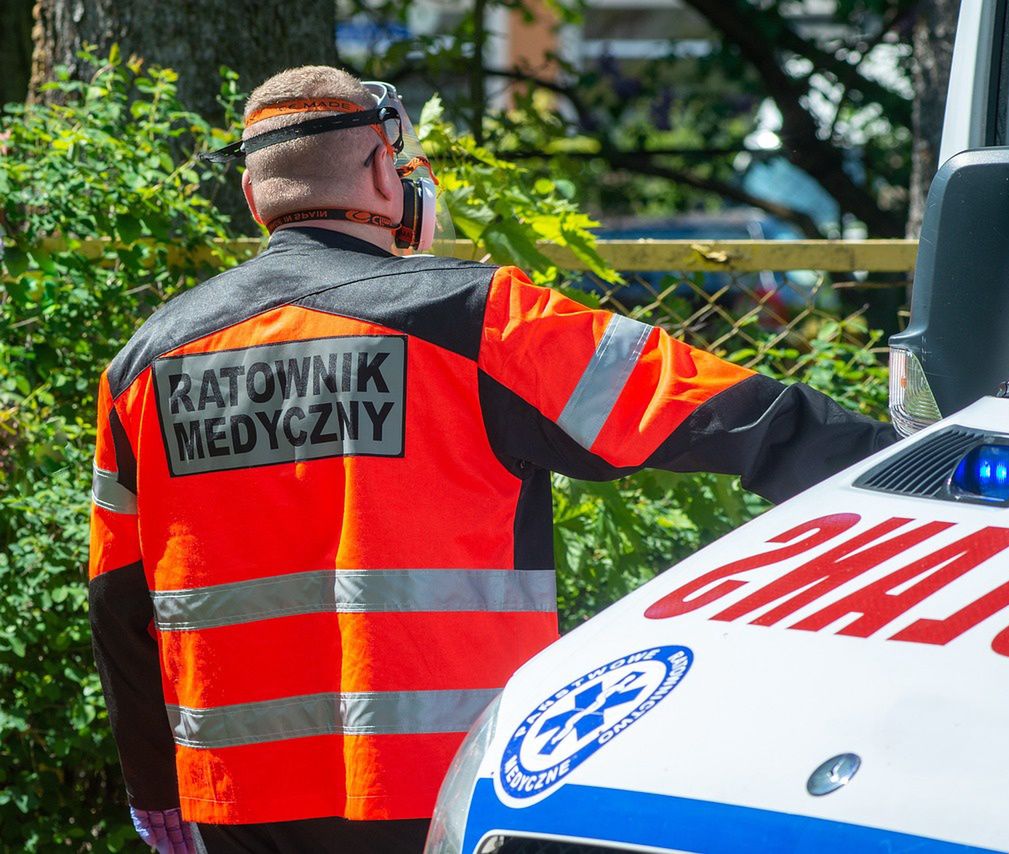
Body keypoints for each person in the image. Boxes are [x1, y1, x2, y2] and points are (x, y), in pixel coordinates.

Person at [88, 66, 897, 854]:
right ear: (382, 168)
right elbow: (731, 413)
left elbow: (118, 601)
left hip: (240, 797)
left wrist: (154, 787)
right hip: (448, 784)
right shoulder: (475, 316)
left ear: (253, 195)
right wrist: (923, 468)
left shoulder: (142, 366)